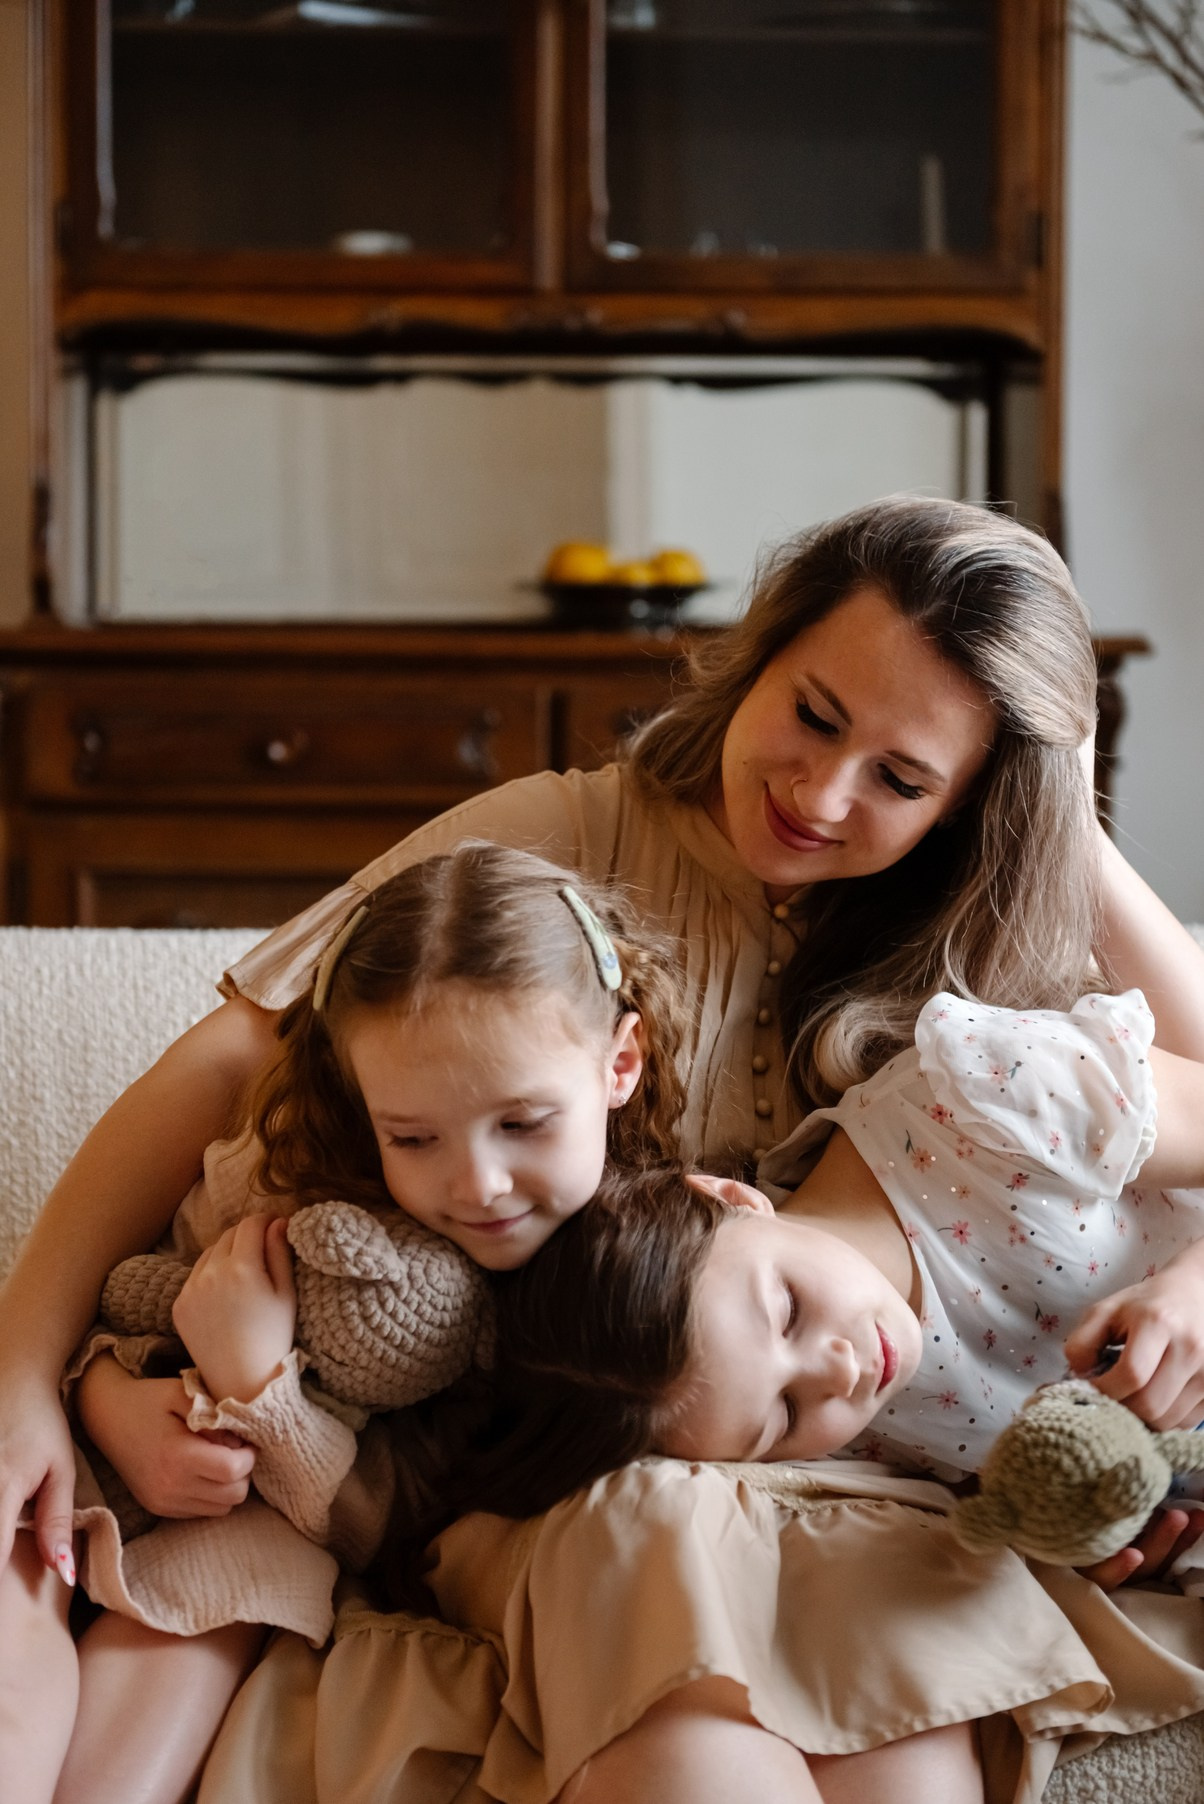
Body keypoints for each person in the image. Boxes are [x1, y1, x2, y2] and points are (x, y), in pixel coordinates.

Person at [5, 494, 1204, 1804]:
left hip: (852, 1492)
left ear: (971, 800)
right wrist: (22, 1372)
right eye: (812, 714)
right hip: (583, 1475)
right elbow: (233, 1057)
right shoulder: (563, 838)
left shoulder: (990, 939)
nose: (820, 793)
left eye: (903, 779)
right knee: (644, 1554)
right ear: (761, 652)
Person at [1, 841, 689, 1804]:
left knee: (202, 1625)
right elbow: (128, 1294)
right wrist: (106, 1397)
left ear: (620, 1063)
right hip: (94, 1453)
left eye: (523, 1124)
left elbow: (393, 1520)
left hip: (256, 1532)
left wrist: (260, 1392)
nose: (477, 1184)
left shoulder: (616, 1280)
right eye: (413, 1136)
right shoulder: (289, 1176)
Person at [477, 986, 1204, 1598]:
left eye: (787, 1311)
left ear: (730, 1197)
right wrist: (1083, 1542)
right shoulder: (851, 1447)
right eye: (784, 1415)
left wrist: (1193, 1288)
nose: (838, 1373)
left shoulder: (980, 1104)